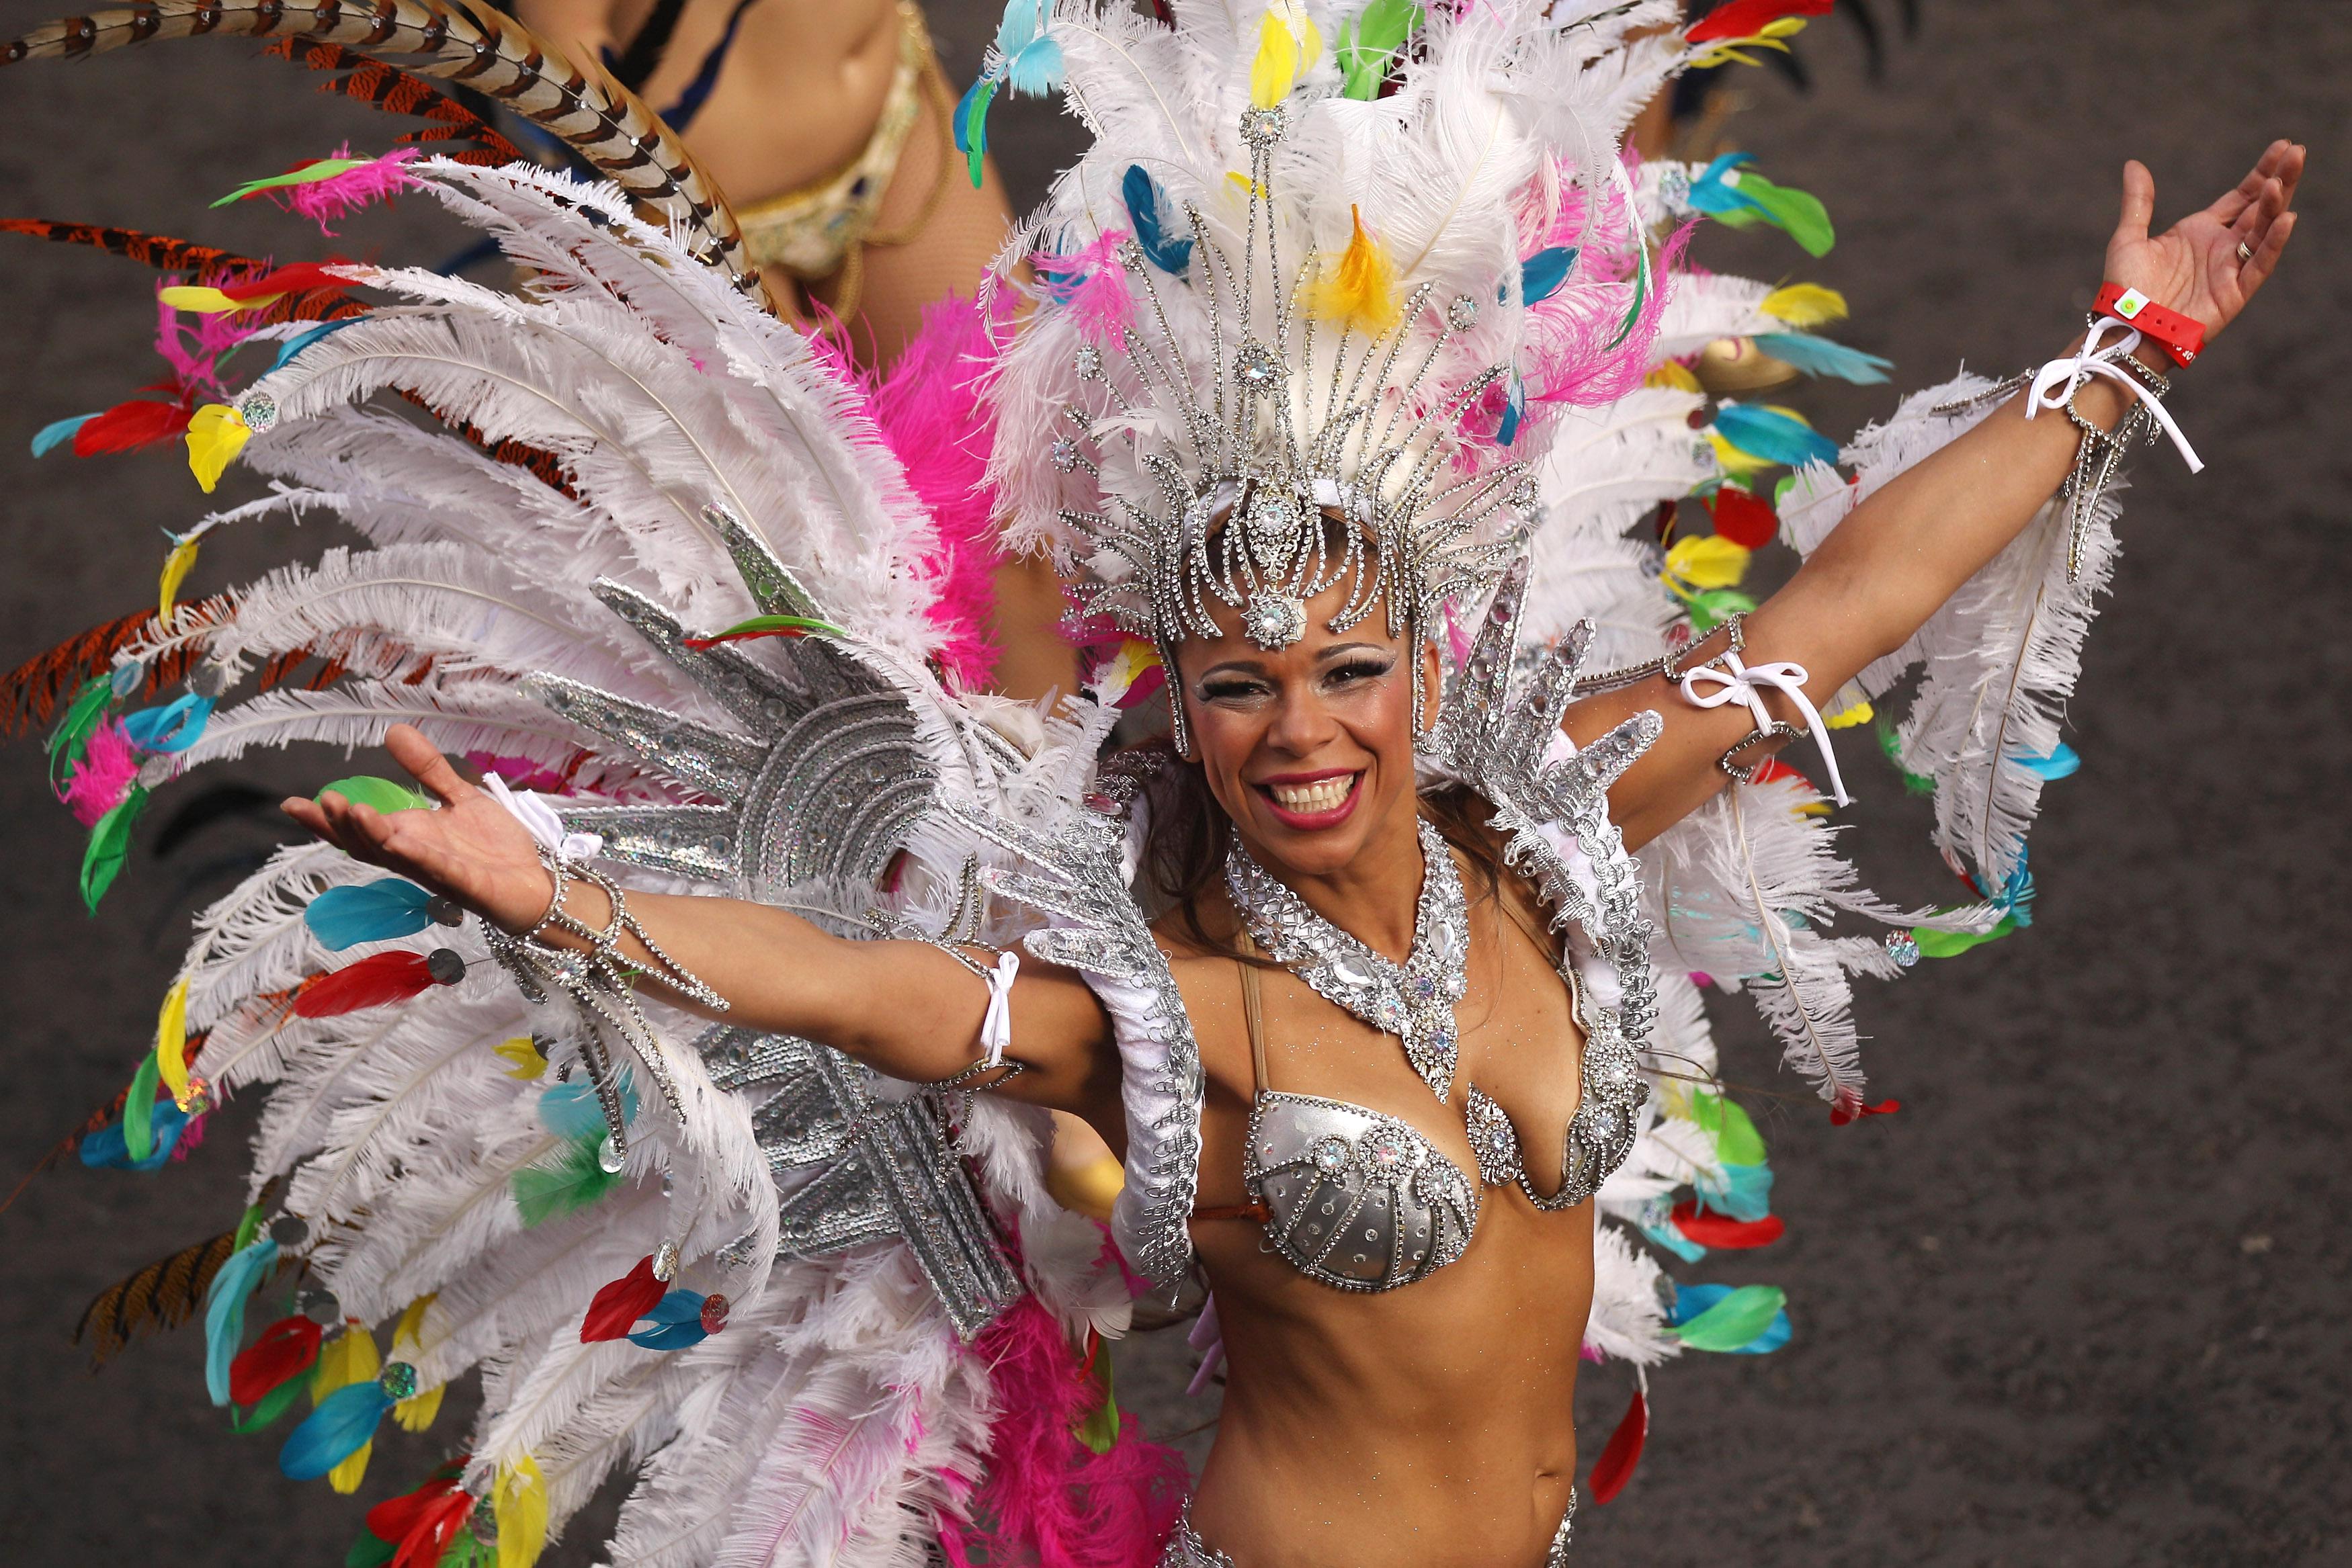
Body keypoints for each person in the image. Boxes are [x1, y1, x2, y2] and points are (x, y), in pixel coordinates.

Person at [0, 3, 2300, 1565]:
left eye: (1347, 671)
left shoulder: (1553, 822)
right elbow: (868, 994)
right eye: (1238, 686)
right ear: (1176, 706)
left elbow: (1836, 611)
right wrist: (562, 895)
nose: (1300, 728)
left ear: (1425, 662)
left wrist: (2122, 354)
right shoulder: (1170, 1007)